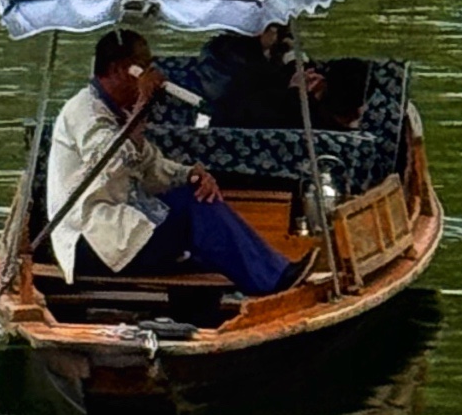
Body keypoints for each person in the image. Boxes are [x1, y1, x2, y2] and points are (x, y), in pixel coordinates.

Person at [46, 25, 298, 297]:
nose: (151, 73)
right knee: (193, 208)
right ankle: (273, 281)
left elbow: (150, 166)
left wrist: (190, 175)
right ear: (120, 70)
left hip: (123, 230)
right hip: (93, 239)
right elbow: (110, 162)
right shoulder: (84, 111)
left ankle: (261, 281)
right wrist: (142, 106)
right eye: (143, 66)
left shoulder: (117, 112)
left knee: (196, 196)